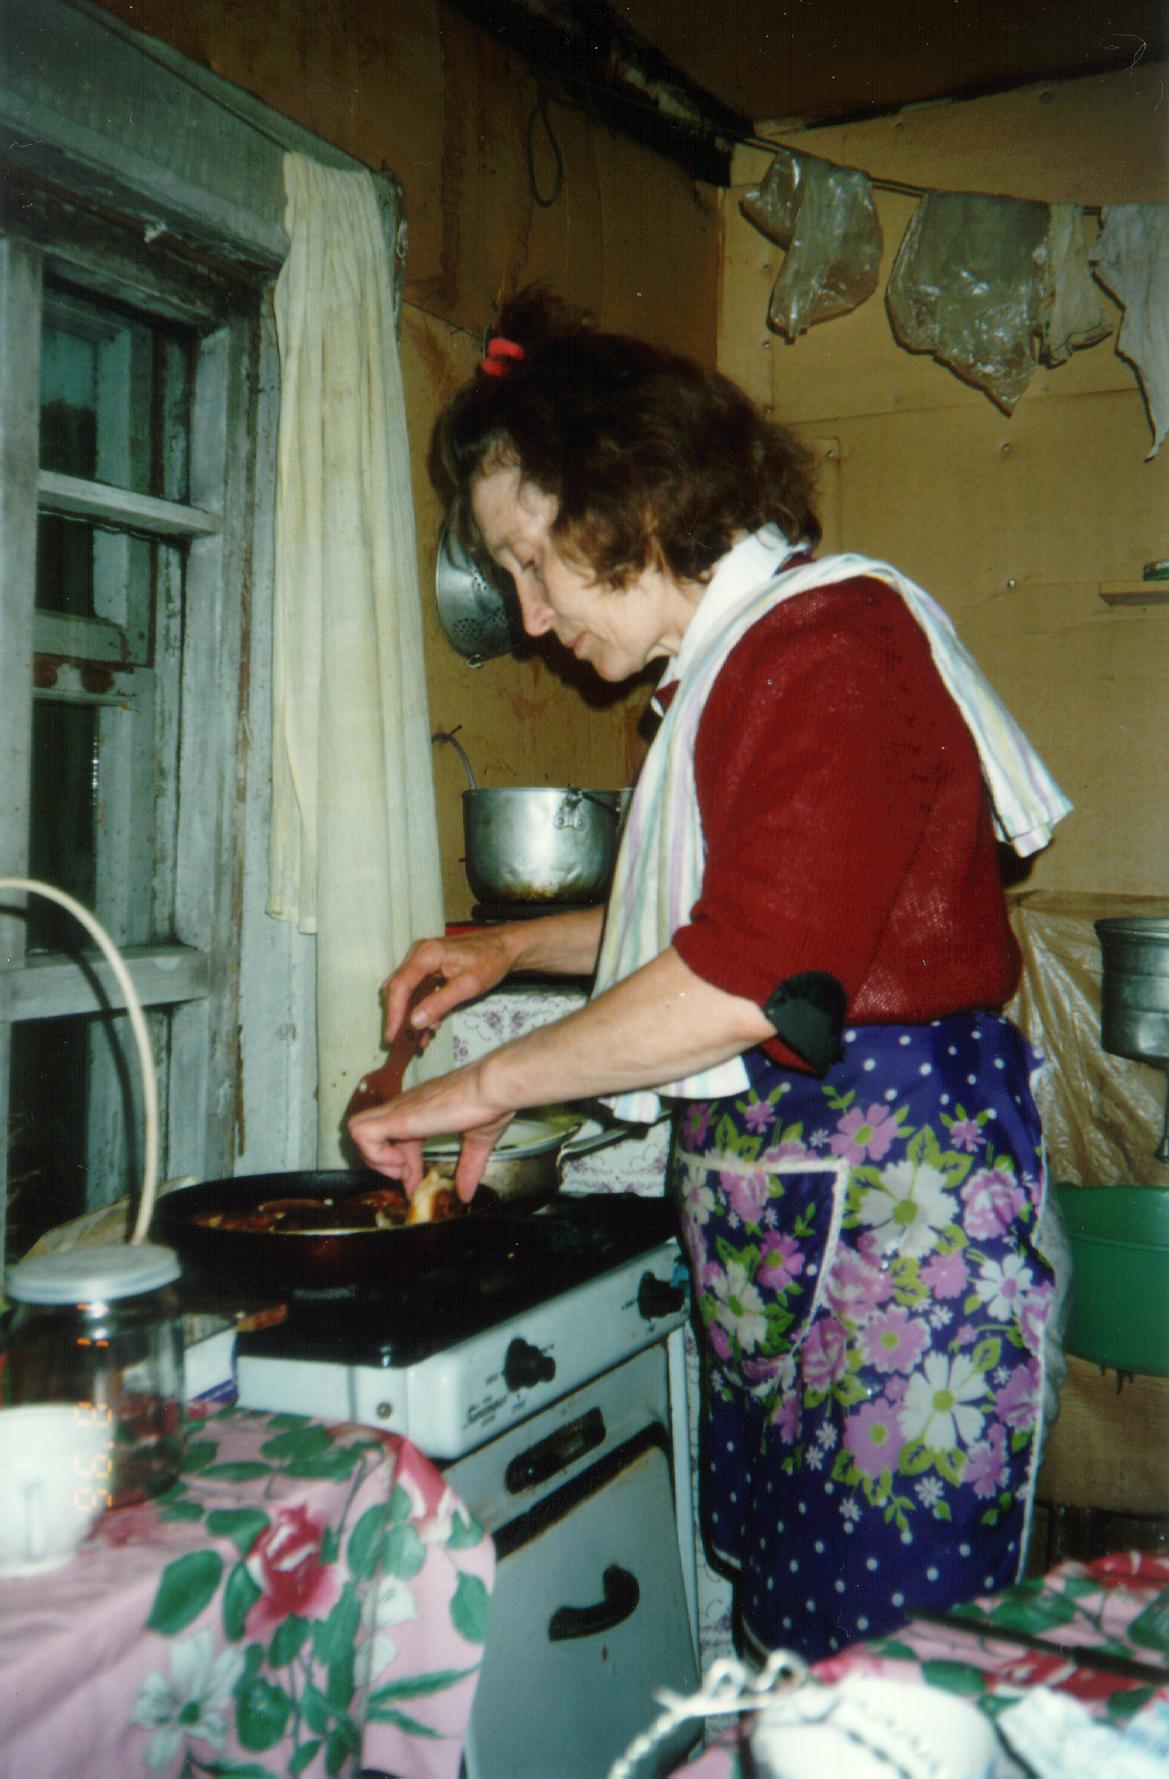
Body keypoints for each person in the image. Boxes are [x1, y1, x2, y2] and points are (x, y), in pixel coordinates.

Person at [349, 289, 1071, 1663]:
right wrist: (509, 946)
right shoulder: (733, 666)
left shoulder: (829, 646)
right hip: (807, 1233)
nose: (531, 618)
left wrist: (487, 1085)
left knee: (884, 1684)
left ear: (627, 502)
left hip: (899, 1244)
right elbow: (734, 915)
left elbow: (753, 978)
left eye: (532, 563)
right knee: (799, 1659)